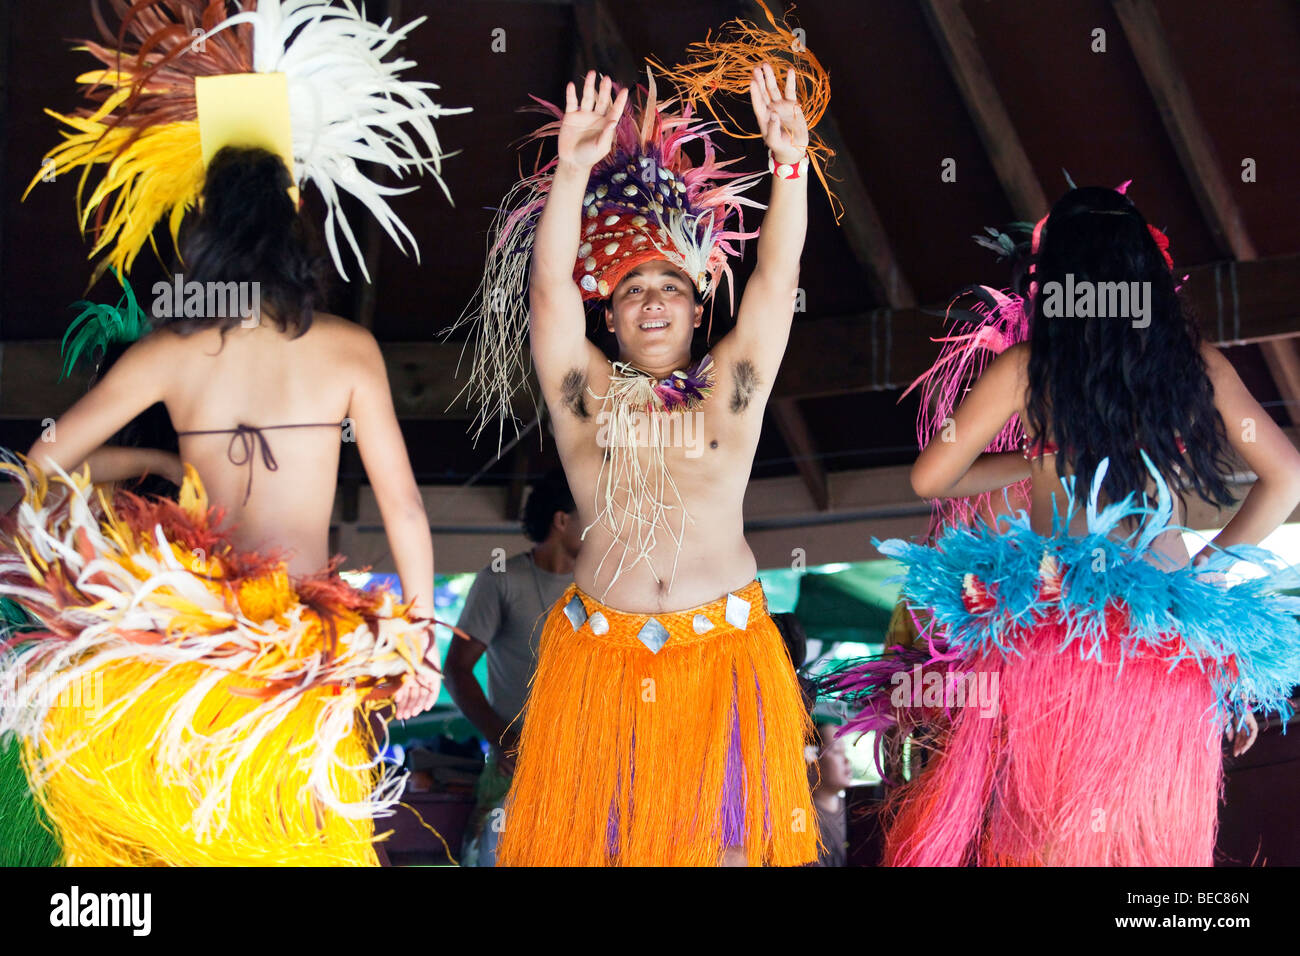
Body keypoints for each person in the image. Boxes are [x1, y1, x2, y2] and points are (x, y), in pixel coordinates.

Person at [0, 0, 462, 866]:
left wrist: (149, 459)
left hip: (190, 652)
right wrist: (419, 643)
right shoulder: (348, 350)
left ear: (202, 241)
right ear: (296, 236)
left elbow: (41, 464)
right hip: (304, 654)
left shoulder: (167, 351)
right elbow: (403, 505)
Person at [834, 184, 1300, 866]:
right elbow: (1287, 475)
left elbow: (930, 478)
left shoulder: (1030, 370)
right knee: (1149, 852)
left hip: (1056, 637)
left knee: (1048, 843)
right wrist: (1207, 571)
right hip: (1163, 639)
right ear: (1151, 277)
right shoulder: (1194, 368)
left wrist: (1028, 463)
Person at [454, 51, 825, 868]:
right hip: (599, 661)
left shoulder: (733, 390)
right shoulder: (584, 397)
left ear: (698, 310)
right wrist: (573, 171)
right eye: (630, 290)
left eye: (669, 287)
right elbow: (549, 288)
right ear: (612, 319)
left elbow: (777, 272)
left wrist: (789, 163)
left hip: (727, 658)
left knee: (726, 856)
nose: (652, 299)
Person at [447, 470, 580, 866]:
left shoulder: (607, 584)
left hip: (589, 764)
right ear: (562, 521)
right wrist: (500, 737)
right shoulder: (501, 580)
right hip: (517, 769)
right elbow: (456, 668)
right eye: (593, 513)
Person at [808, 721, 852, 868]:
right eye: (837, 751)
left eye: (845, 752)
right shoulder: (801, 817)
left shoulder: (855, 808)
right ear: (812, 761)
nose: (847, 760)